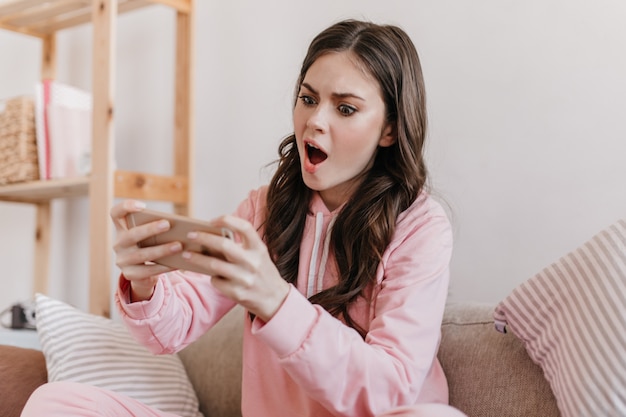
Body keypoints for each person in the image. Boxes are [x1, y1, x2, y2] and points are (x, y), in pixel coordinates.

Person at [22, 19, 466, 417]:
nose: (315, 121)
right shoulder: (264, 211)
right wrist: (146, 282)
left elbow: (392, 391)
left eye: (345, 108)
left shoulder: (420, 227)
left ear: (390, 128)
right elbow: (170, 331)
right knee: (57, 401)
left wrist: (276, 301)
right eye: (308, 99)